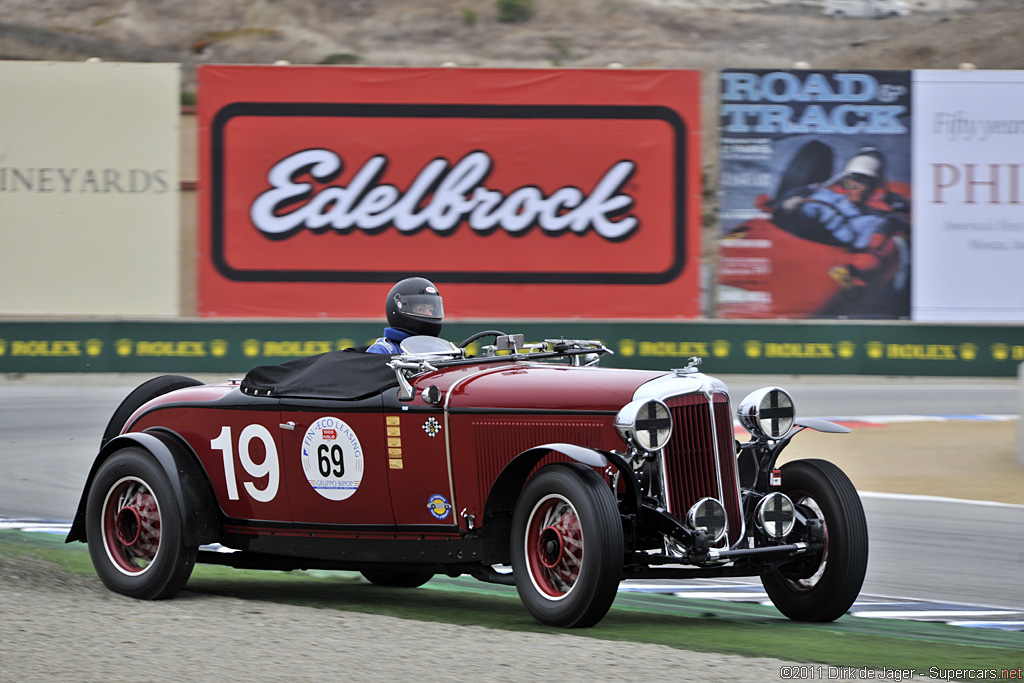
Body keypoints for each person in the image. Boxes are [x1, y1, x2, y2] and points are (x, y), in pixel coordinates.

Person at [366, 277, 445, 354]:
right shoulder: (384, 350)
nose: (429, 314)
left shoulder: (442, 351)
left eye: (431, 309)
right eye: (420, 309)